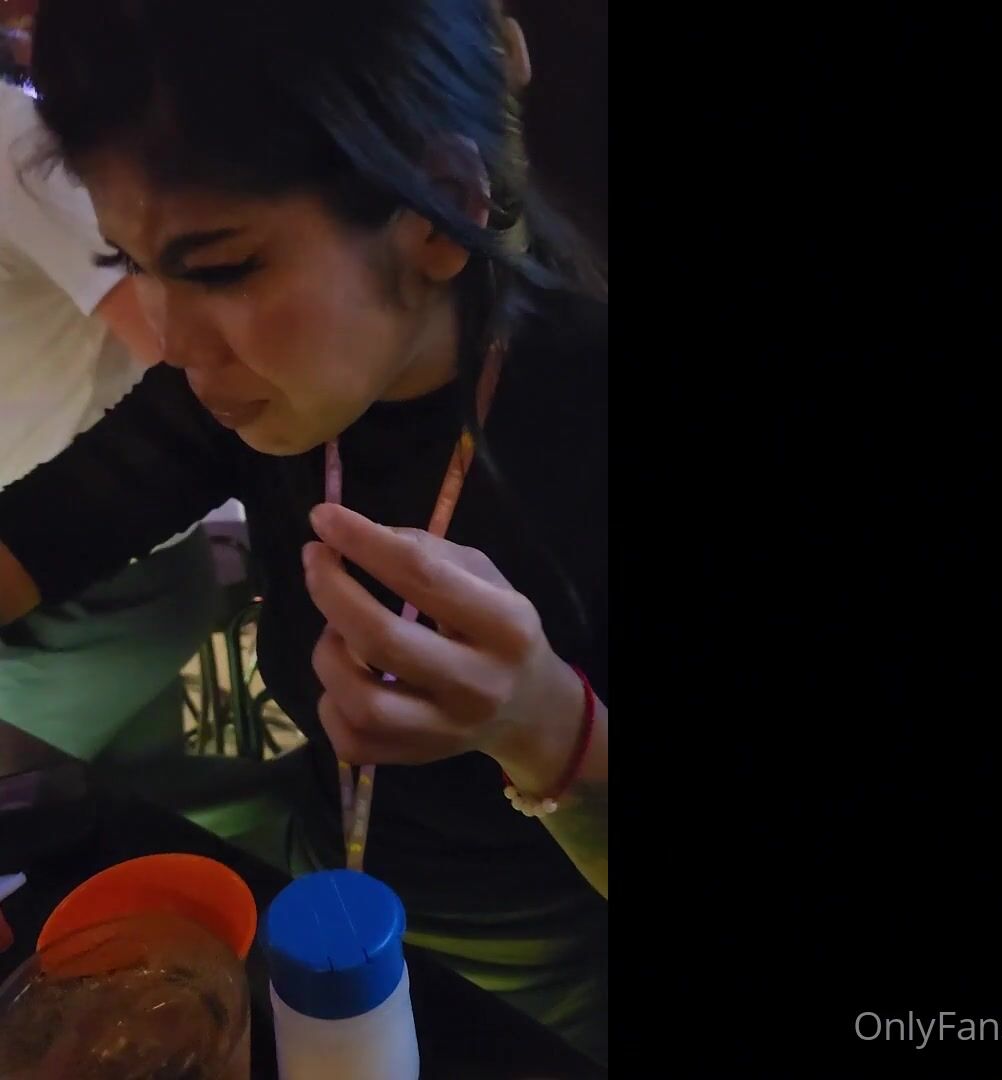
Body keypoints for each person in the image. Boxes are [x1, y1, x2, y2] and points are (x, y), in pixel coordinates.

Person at [0, 0, 608, 1062]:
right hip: (323, 889)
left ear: (438, 212)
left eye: (222, 267)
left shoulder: (580, 414)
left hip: (539, 980)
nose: (177, 342)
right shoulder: (248, 397)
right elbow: (50, 527)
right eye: (133, 264)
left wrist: (546, 727)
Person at [0, 42, 216, 763]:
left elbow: (193, 355)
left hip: (97, 575)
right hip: (65, 555)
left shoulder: (12, 144)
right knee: (140, 804)